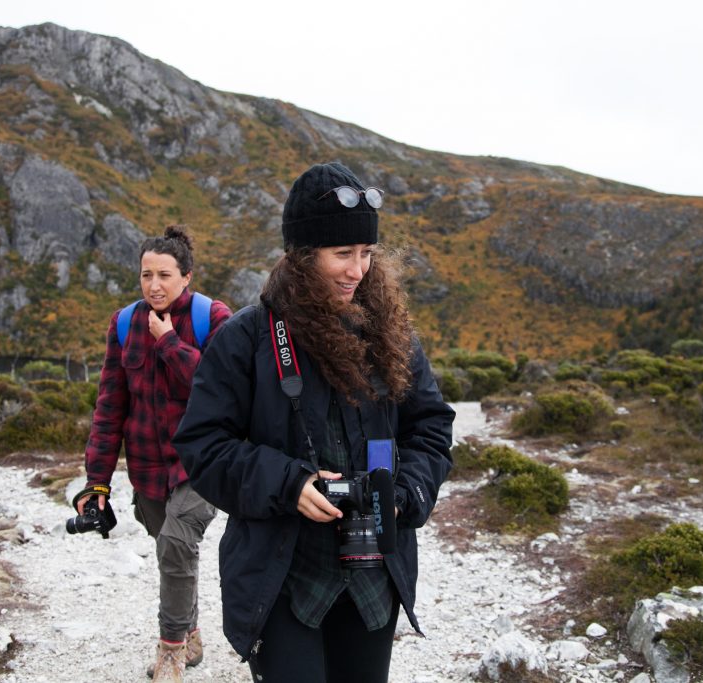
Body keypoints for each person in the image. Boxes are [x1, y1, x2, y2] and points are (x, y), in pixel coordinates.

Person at [172, 162, 455, 682]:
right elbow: (203, 445)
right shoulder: (247, 339)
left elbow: (431, 428)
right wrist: (288, 482)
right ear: (303, 257)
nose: (358, 270)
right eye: (342, 254)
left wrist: (407, 490)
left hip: (374, 573)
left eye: (367, 254)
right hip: (283, 577)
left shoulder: (390, 333)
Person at [77, 224, 232, 683]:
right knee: (173, 552)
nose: (154, 285)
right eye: (146, 275)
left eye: (164, 275)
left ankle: (170, 652)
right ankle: (192, 631)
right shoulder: (123, 324)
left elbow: (223, 391)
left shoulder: (214, 318)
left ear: (187, 276)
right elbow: (110, 406)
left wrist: (168, 343)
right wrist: (97, 481)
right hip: (146, 467)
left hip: (202, 462)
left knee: (177, 543)